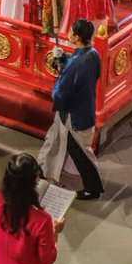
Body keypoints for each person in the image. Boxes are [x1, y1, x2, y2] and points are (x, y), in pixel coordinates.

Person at [39, 19, 105, 200]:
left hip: (72, 113)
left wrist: (56, 96)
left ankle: (93, 187)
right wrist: (63, 59)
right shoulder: (93, 54)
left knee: (80, 151)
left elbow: (61, 90)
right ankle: (44, 169)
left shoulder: (76, 63)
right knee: (53, 139)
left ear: (76, 37)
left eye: (71, 31)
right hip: (85, 106)